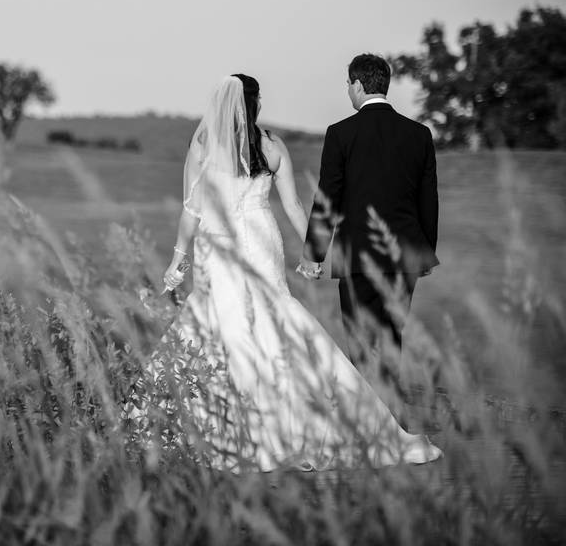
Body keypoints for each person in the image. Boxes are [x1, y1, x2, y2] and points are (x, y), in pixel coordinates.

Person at [158, 74, 440, 472]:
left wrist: (177, 257)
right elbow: (291, 205)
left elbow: (192, 208)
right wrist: (313, 254)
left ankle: (217, 425)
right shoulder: (272, 145)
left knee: (217, 317)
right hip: (260, 238)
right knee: (275, 316)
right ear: (255, 103)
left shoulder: (204, 143)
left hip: (217, 241)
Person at [299, 54, 439, 407]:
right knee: (392, 335)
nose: (347, 91)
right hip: (404, 256)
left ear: (359, 85)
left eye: (348, 85)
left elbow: (328, 198)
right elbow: (428, 202)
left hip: (357, 254)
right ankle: (391, 414)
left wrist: (314, 256)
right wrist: (423, 254)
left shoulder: (341, 134)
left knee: (359, 340)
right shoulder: (419, 135)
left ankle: (367, 419)